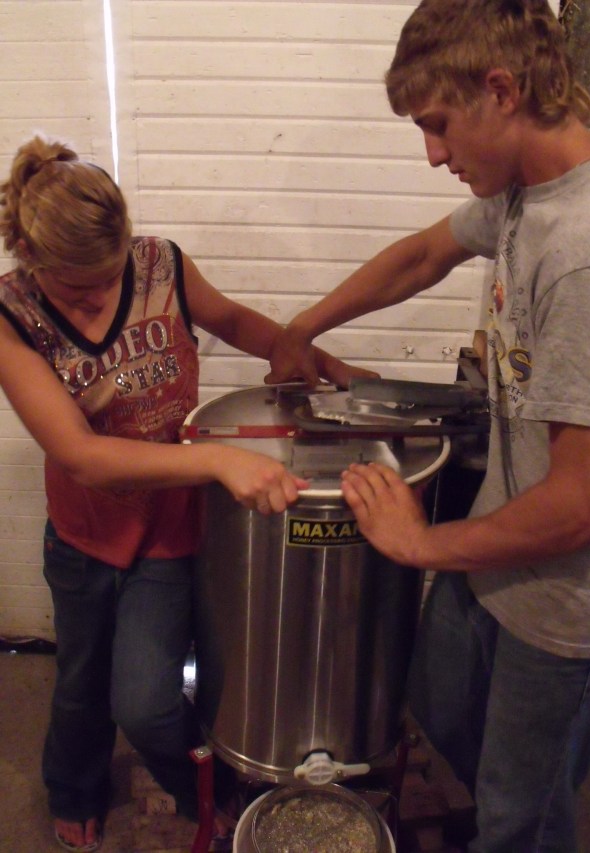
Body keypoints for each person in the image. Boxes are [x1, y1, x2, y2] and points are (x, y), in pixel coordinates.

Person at [266, 0, 590, 849]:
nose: (433, 154)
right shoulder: (527, 189)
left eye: (438, 125)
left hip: (566, 604)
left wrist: (419, 543)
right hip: (501, 544)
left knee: (519, 815)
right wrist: (304, 326)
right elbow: (423, 254)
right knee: (439, 702)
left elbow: (586, 505)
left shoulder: (587, 251)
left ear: (501, 91)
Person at [0, 135, 372, 853]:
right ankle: (72, 788)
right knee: (79, 682)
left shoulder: (160, 264)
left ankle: (196, 779)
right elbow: (82, 457)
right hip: (83, 535)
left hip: (168, 531)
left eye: (110, 278)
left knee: (143, 701)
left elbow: (231, 320)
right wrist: (219, 462)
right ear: (32, 261)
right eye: (78, 290)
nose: (100, 299)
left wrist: (304, 351)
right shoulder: (12, 313)